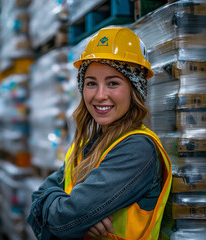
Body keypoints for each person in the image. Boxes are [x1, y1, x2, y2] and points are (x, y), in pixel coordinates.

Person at [26, 26, 172, 240]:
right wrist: (80, 219)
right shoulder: (88, 145)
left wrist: (72, 219)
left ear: (135, 89)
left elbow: (64, 219)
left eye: (113, 83)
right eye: (91, 83)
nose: (100, 95)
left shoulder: (137, 149)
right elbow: (38, 197)